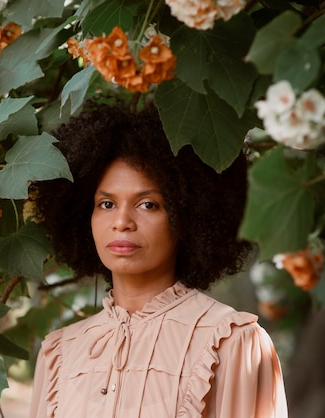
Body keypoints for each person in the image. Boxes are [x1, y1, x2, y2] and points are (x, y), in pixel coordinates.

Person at [29, 102, 288, 417]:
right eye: (107, 203)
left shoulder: (233, 344)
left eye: (148, 204)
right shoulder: (58, 354)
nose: (122, 221)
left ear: (187, 216)